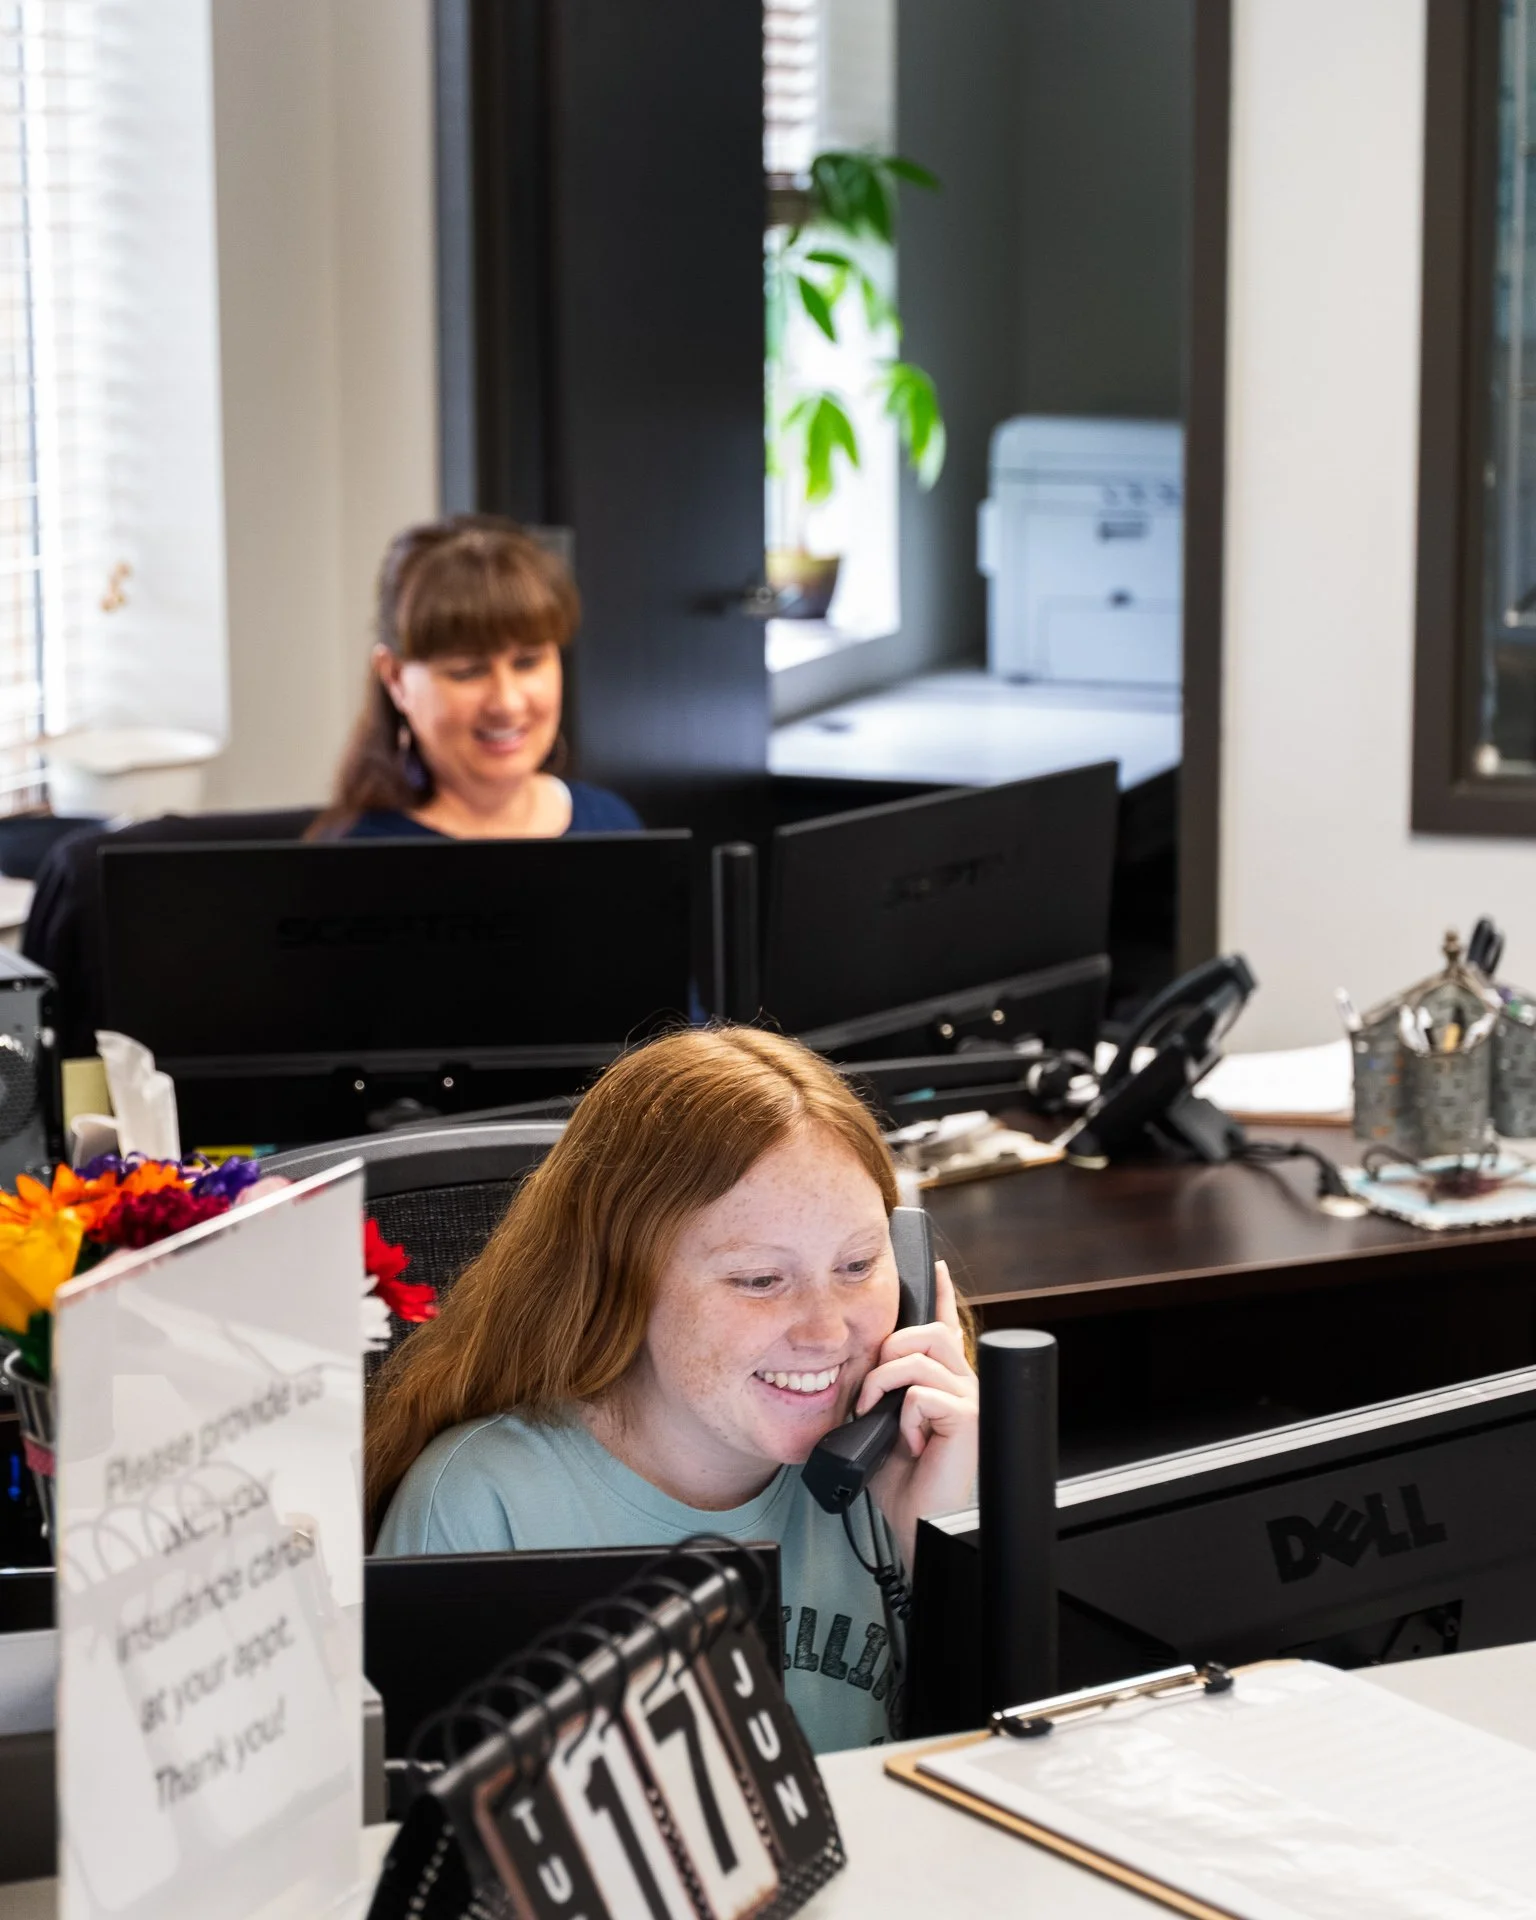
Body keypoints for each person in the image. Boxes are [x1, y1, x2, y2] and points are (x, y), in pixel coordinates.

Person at [368, 1026, 978, 1752]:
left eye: (857, 1266)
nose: (825, 1332)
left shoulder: (907, 1457)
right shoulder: (481, 1508)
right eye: (760, 1280)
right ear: (620, 1283)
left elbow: (999, 1784)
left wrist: (946, 1544)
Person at [312, 515, 641, 840]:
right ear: (395, 677)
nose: (507, 703)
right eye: (467, 672)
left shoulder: (611, 823)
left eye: (527, 663)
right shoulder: (358, 859)